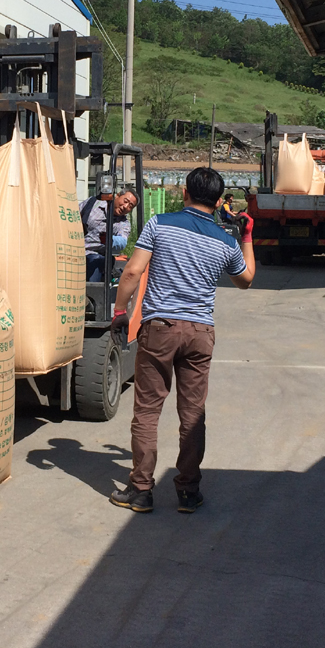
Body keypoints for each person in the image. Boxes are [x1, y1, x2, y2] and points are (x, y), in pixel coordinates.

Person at [107, 167, 255, 514]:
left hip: (160, 328)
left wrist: (120, 311)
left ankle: (141, 490)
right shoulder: (226, 240)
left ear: (185, 192)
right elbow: (246, 279)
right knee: (192, 413)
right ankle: (188, 491)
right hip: (201, 333)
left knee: (147, 410)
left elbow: (132, 270)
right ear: (219, 202)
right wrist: (247, 236)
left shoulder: (160, 224)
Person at [83, 187, 138, 281]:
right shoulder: (92, 203)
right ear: (117, 196)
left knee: (98, 261)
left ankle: (91, 294)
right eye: (125, 201)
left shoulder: (123, 224)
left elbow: (122, 241)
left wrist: (109, 239)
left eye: (130, 206)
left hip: (93, 256)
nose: (125, 206)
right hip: (73, 250)